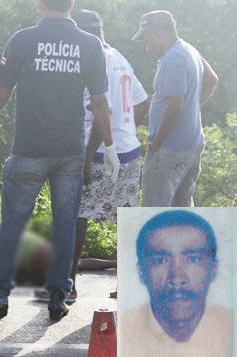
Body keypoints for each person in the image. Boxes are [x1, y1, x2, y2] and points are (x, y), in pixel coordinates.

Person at [0, 0, 119, 320]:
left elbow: (3, 89)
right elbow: (100, 101)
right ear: (71, 5)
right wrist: (109, 146)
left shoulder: (22, 39)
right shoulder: (89, 43)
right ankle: (58, 293)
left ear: (41, 5)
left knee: (13, 223)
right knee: (65, 224)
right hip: (70, 149)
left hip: (29, 147)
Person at [63, 9, 150, 302]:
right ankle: (127, 286)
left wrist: (87, 156)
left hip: (100, 153)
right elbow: (141, 100)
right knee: (125, 220)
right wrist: (126, 129)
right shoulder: (117, 56)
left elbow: (103, 111)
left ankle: (68, 284)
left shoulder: (91, 60)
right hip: (128, 151)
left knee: (77, 215)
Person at [133, 10, 218, 207]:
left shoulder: (173, 58)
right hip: (193, 144)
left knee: (154, 213)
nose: (147, 47)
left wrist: (156, 144)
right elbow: (212, 80)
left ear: (158, 32)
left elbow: (174, 110)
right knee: (182, 210)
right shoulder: (189, 50)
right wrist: (192, 109)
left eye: (147, 40)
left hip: (169, 149)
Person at [119, 210, 232, 356]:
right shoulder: (118, 333)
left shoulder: (231, 327)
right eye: (160, 260)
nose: (177, 278)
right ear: (141, 272)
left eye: (193, 259)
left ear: (213, 270)